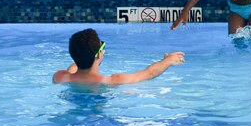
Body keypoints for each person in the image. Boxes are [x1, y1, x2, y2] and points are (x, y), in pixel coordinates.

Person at [52, 28, 184, 85]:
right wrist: (167, 61)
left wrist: (91, 58)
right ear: (99, 55)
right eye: (102, 46)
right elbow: (148, 74)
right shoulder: (112, 81)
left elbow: (75, 65)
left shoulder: (60, 77)